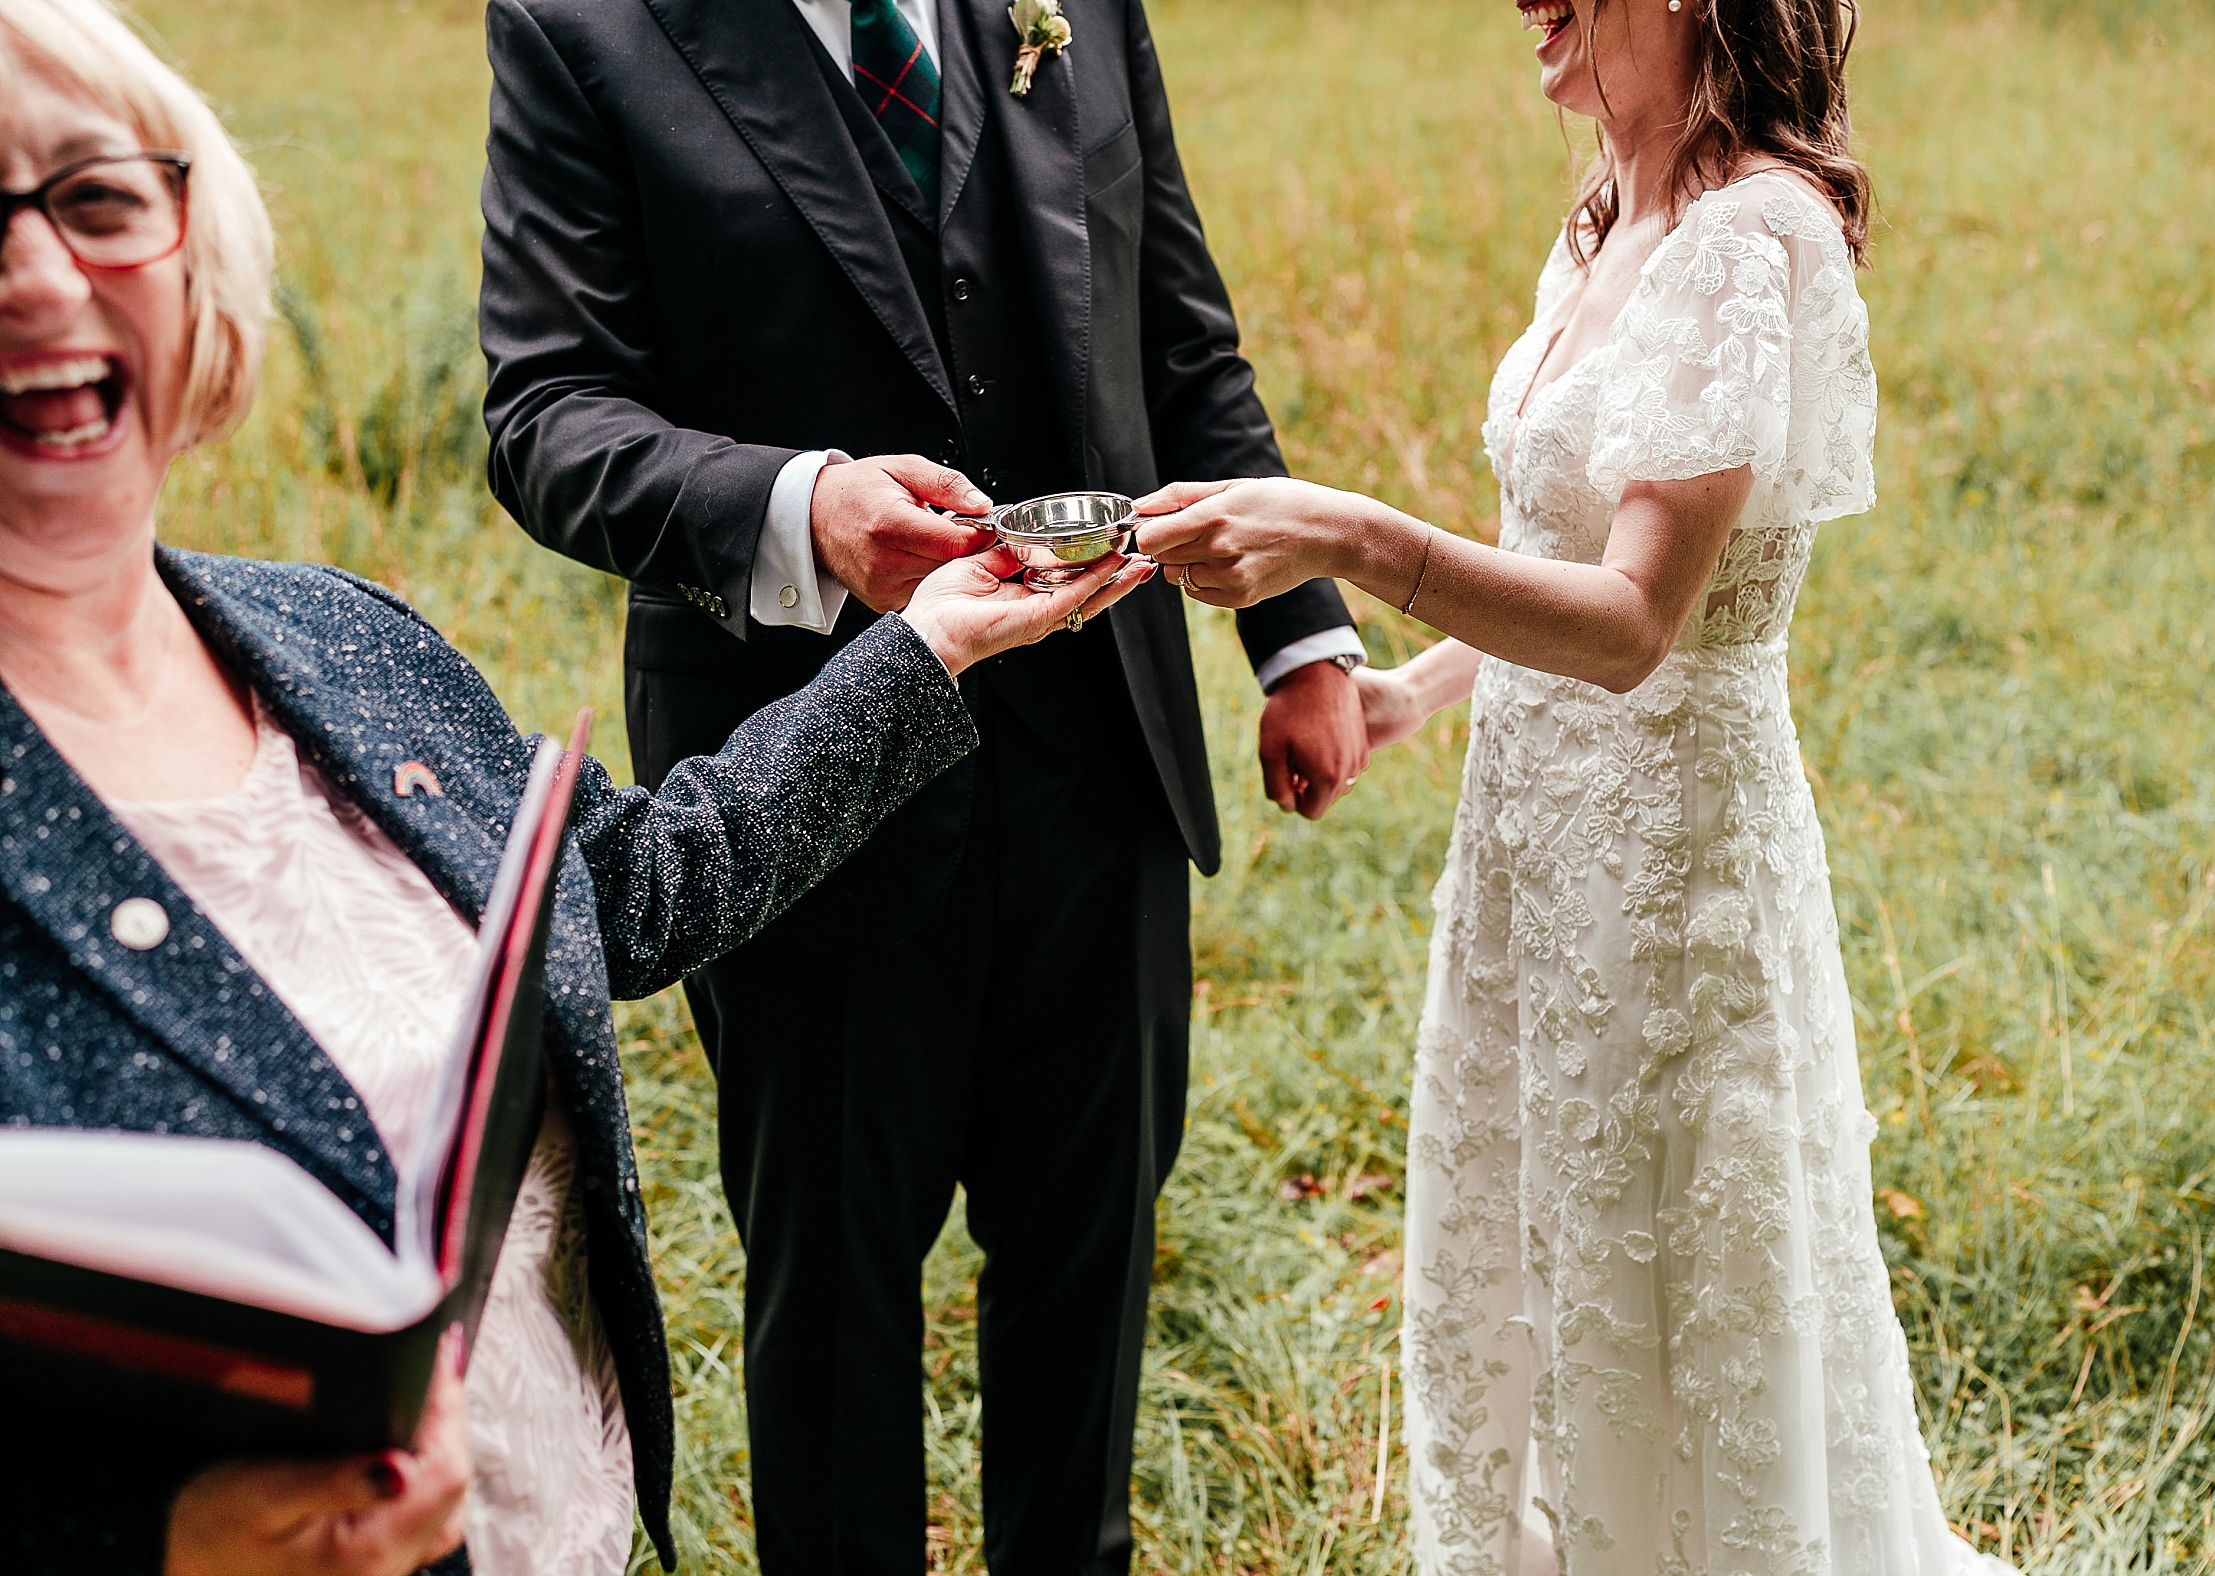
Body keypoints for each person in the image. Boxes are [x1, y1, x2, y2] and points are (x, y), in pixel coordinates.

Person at [0, 2, 1150, 1573]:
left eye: (98, 199)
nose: (41, 278)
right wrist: (166, 1539)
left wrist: (929, 648)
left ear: (196, 260)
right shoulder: (582, 30)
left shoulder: (335, 642)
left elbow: (627, 892)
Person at [476, 0, 1371, 1567]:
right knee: (830, 1312)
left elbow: (1175, 325)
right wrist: (803, 506)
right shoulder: (583, 25)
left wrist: (1301, 639)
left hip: (1106, 764)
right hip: (806, 784)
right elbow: (548, 410)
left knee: (1087, 1284)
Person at [1131, 2, 2017, 1572]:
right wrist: (1415, 689)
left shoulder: (1755, 239)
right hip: (1533, 861)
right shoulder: (1613, 204)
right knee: (1542, 1256)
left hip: (1674, 879)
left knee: (1674, 1291)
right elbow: (1563, 554)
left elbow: (1635, 624)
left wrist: (1353, 536)